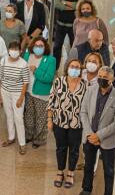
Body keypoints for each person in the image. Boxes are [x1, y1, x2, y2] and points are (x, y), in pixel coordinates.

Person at [79, 66, 115, 195]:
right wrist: (89, 133)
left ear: (112, 79)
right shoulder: (90, 90)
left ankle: (108, 192)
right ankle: (86, 189)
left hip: (107, 139)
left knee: (109, 170)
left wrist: (98, 135)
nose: (102, 79)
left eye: (105, 78)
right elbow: (83, 112)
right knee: (88, 166)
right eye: (100, 77)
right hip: (89, 136)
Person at [47, 58, 88, 189]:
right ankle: (60, 172)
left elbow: (88, 106)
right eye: (72, 66)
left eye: (77, 67)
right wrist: (49, 119)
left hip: (77, 123)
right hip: (59, 121)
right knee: (61, 148)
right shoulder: (59, 81)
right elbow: (51, 101)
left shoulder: (85, 85)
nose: (74, 69)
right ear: (67, 68)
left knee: (74, 150)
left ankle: (70, 173)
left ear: (81, 70)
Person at [0, 41, 30, 154]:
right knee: (9, 115)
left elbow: (25, 82)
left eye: (16, 49)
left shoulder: (23, 64)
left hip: (17, 94)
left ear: (20, 51)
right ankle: (11, 137)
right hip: (5, 91)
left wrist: (21, 97)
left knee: (18, 118)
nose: (14, 51)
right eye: (12, 49)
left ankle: (22, 143)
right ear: (8, 50)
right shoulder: (4, 60)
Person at [23, 36, 56, 148]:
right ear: (32, 46)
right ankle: (29, 135)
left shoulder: (51, 60)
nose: (38, 48)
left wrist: (36, 71)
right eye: (36, 45)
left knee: (41, 118)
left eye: (41, 46)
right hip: (28, 92)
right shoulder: (27, 55)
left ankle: (39, 140)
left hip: (41, 93)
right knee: (29, 115)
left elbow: (49, 78)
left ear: (45, 47)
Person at [53, 0, 88, 69]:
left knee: (75, 48)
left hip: (75, 25)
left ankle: (74, 68)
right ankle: (55, 68)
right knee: (56, 47)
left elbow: (80, 5)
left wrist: (64, 2)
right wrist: (73, 5)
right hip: (60, 23)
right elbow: (57, 4)